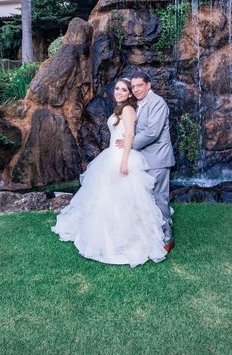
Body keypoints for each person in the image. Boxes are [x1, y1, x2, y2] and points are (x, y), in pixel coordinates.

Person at [51, 78, 168, 268]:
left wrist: (123, 161)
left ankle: (125, 241)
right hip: (111, 154)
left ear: (130, 94)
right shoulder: (119, 109)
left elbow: (129, 134)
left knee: (123, 200)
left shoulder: (129, 110)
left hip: (122, 156)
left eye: (124, 90)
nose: (119, 92)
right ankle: (104, 236)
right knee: (105, 198)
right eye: (117, 89)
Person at [116, 72, 175, 251]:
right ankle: (152, 234)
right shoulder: (137, 105)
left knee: (159, 198)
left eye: (139, 85)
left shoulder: (157, 102)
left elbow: (152, 133)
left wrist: (129, 143)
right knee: (146, 200)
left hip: (158, 159)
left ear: (148, 85)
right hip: (142, 160)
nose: (136, 89)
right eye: (133, 87)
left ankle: (167, 238)